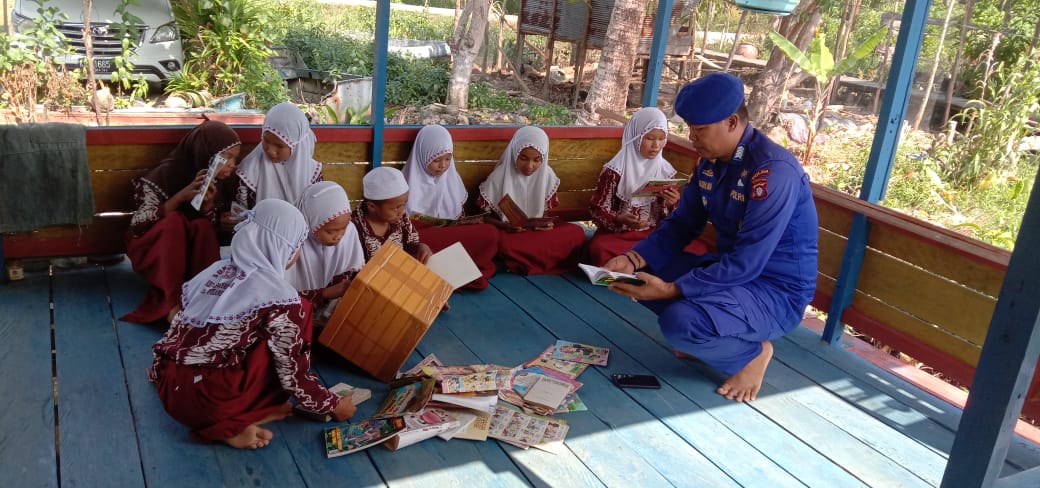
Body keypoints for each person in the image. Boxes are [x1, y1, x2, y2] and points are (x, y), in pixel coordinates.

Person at [603, 73, 819, 402]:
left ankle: (752, 355)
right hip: (733, 276)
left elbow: (747, 262)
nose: (692, 138)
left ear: (731, 122)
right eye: (690, 128)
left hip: (774, 291)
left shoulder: (772, 172)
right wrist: (632, 259)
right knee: (642, 273)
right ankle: (714, 338)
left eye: (700, 130)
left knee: (680, 324)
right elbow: (682, 224)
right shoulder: (710, 163)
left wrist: (673, 289)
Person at [149, 199, 356, 449]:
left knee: (266, 329)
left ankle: (255, 411)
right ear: (283, 247)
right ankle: (235, 423)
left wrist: (158, 375)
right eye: (298, 245)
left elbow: (176, 332)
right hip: (210, 403)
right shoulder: (283, 301)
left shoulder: (215, 272)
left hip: (170, 388)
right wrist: (333, 405)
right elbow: (294, 376)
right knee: (288, 332)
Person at [122, 120, 243, 324]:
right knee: (175, 221)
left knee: (201, 226)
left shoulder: (220, 182)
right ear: (206, 153)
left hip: (187, 256)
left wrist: (208, 208)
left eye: (235, 158)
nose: (232, 164)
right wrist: (180, 197)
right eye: (226, 157)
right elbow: (138, 224)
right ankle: (168, 303)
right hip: (152, 251)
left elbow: (211, 231)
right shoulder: (164, 175)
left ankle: (203, 296)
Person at [476, 126, 586, 275]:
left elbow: (545, 213)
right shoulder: (498, 177)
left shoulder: (547, 175)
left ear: (543, 158)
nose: (529, 166)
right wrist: (505, 226)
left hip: (536, 233)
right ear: (514, 153)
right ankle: (541, 260)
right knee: (502, 243)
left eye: (537, 160)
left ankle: (521, 261)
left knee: (576, 232)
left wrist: (545, 224)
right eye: (523, 158)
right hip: (510, 233)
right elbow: (484, 218)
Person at [402, 124, 499, 290]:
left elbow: (458, 219)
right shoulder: (405, 182)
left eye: (447, 159)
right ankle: (454, 270)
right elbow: (402, 228)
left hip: (448, 235)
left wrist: (465, 223)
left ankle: (449, 270)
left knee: (490, 233)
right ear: (422, 156)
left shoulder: (452, 180)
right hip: (422, 240)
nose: (443, 166)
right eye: (436, 160)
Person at [586, 107, 681, 266]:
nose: (656, 145)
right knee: (600, 249)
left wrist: (673, 203)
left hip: (651, 236)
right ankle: (639, 269)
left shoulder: (665, 171)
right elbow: (596, 210)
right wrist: (619, 218)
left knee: (685, 247)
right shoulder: (615, 170)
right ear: (636, 136)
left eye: (661, 139)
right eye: (650, 138)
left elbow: (673, 219)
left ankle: (634, 269)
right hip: (618, 236)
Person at [288, 181, 365, 318]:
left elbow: (353, 272)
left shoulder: (349, 232)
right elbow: (285, 302)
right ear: (310, 223)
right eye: (330, 231)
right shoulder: (292, 242)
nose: (339, 236)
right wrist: (324, 293)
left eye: (343, 228)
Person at [235, 102, 323, 208]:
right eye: (266, 140)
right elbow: (242, 209)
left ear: (296, 146)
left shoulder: (312, 173)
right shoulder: (250, 169)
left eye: (280, 146)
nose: (270, 151)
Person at [353, 166, 433, 263]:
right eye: (396, 207)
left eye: (404, 204)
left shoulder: (401, 218)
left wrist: (420, 247)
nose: (402, 211)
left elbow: (409, 244)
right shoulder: (354, 228)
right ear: (372, 207)